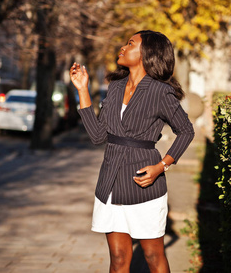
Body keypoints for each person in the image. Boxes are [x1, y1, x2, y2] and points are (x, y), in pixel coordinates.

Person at [70, 30, 195, 273]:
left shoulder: (160, 91)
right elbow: (97, 136)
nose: (123, 47)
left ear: (147, 53)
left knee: (152, 256)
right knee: (117, 259)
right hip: (110, 183)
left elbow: (186, 131)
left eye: (131, 44)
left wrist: (162, 166)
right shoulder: (115, 87)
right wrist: (82, 89)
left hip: (143, 184)